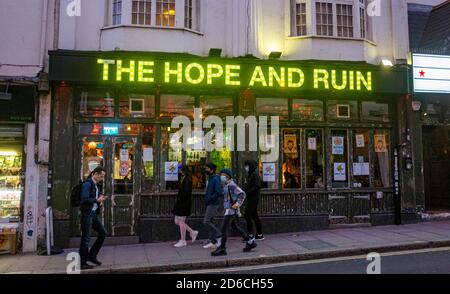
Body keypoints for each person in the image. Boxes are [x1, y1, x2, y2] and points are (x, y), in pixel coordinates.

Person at [211, 169, 257, 256]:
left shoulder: (231, 184)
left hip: (231, 211)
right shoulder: (227, 184)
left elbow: (242, 194)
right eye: (221, 175)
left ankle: (222, 248)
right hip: (229, 210)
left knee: (223, 229)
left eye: (223, 174)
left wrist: (237, 204)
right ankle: (250, 242)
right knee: (235, 226)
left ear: (228, 176)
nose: (221, 176)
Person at [79, 166, 108, 270]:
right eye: (101, 176)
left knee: (103, 233)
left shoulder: (96, 185)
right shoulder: (87, 184)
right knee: (86, 239)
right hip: (87, 215)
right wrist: (97, 200)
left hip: (93, 214)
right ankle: (82, 263)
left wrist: (101, 196)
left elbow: (95, 196)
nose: (102, 178)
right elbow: (84, 199)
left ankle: (92, 256)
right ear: (94, 174)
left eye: (103, 176)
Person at [172, 165, 199, 247]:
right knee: (177, 221)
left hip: (184, 203)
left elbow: (186, 192)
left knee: (181, 221)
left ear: (183, 170)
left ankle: (183, 240)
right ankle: (192, 232)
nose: (179, 171)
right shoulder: (184, 178)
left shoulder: (188, 179)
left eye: (180, 169)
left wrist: (180, 200)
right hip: (181, 202)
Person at [202, 163, 222, 249]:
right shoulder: (211, 178)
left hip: (213, 203)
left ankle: (219, 235)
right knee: (211, 221)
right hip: (210, 203)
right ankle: (213, 241)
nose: (205, 170)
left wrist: (210, 198)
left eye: (207, 169)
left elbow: (218, 192)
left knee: (206, 221)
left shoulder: (215, 179)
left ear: (212, 170)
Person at [243, 159, 264, 240]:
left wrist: (247, 192)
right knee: (254, 216)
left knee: (247, 215)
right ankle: (259, 234)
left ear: (250, 166)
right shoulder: (250, 174)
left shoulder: (255, 174)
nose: (246, 168)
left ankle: (251, 234)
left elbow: (257, 186)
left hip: (253, 198)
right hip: (251, 198)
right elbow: (248, 185)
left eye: (247, 166)